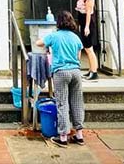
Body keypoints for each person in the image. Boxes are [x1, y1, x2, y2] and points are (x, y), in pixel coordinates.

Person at [35, 10, 86, 146]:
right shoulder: (76, 38)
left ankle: (63, 137)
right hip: (75, 72)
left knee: (62, 103)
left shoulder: (55, 36)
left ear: (58, 22)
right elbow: (78, 56)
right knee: (77, 103)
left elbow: (38, 43)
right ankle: (79, 135)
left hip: (61, 72)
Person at [74, 0, 99, 80]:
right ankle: (90, 70)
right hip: (82, 21)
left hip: (87, 22)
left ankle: (94, 71)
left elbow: (88, 12)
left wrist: (87, 26)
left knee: (89, 49)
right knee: (86, 48)